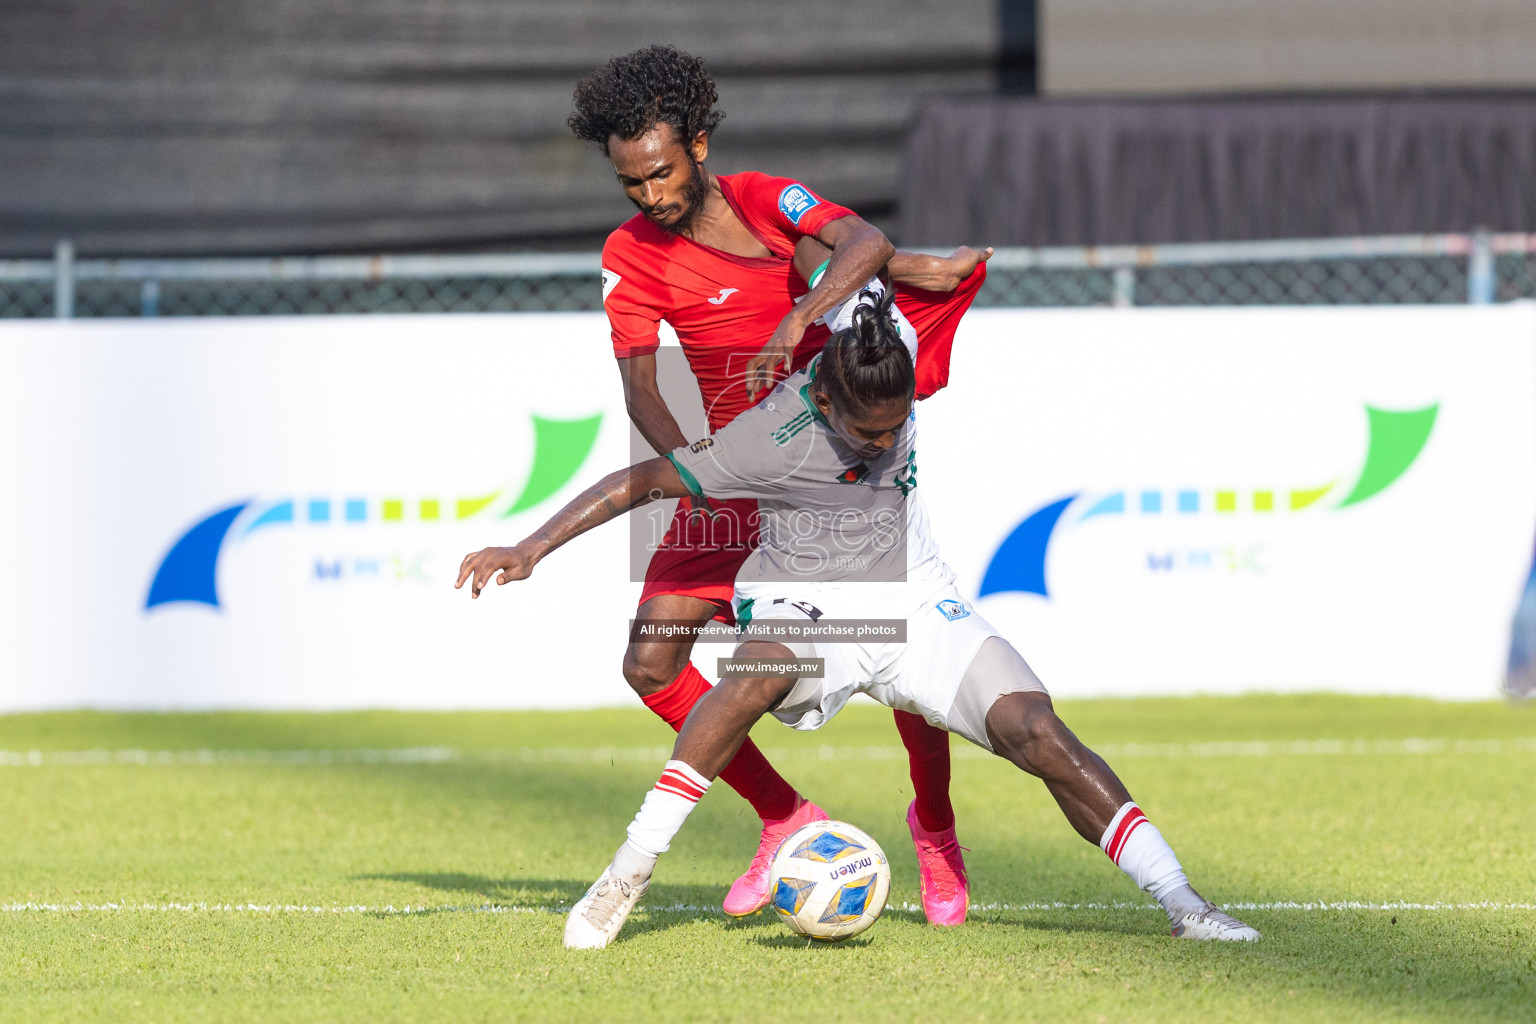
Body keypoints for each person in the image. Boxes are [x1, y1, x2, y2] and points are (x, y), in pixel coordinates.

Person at [457, 283, 1263, 951]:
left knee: (1037, 729)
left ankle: (1187, 904)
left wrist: (837, 294)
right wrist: (529, 548)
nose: (884, 443)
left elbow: (858, 243)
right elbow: (641, 482)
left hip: (914, 599)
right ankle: (626, 873)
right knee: (752, 672)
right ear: (826, 397)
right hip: (804, 605)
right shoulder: (768, 437)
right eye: (865, 431)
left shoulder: (881, 337)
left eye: (896, 425)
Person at [565, 44, 991, 922]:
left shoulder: (766, 201)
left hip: (835, 465)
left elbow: (864, 243)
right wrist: (703, 476)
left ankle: (936, 827)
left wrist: (803, 311)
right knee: (650, 660)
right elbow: (642, 387)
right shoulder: (630, 255)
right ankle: (784, 817)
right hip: (735, 475)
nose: (650, 194)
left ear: (700, 146)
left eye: (661, 172)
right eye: (630, 182)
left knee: (903, 654)